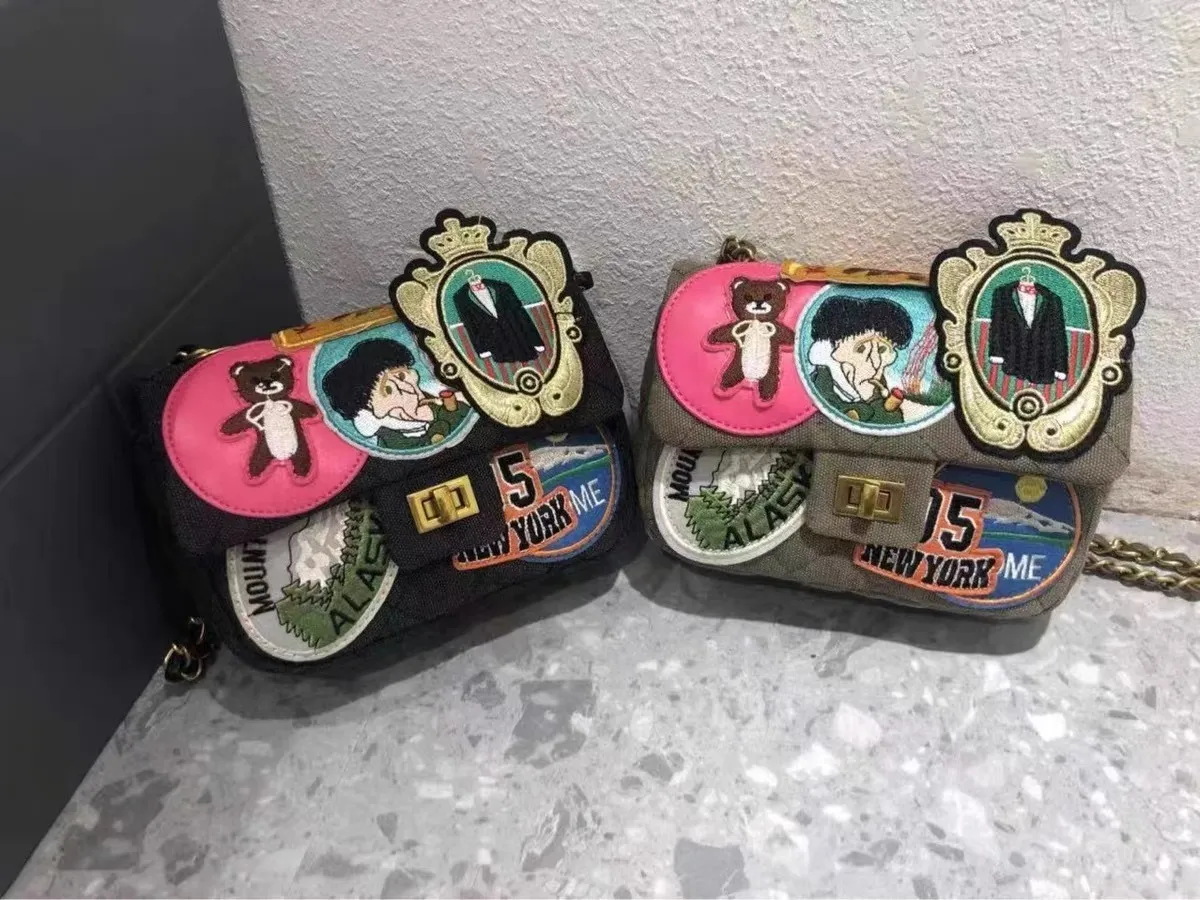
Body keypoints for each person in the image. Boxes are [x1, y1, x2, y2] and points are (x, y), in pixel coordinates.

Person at [807, 295, 938, 424]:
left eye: (882, 350)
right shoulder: (817, 387)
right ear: (829, 350)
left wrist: (873, 401)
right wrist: (864, 408)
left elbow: (892, 421)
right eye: (861, 349)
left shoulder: (880, 388)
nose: (875, 362)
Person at [321, 339, 469, 452]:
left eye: (402, 376)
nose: (409, 390)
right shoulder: (392, 441)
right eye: (388, 390)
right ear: (372, 409)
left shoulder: (439, 396)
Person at [986, 266, 1069, 384]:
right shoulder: (1002, 294)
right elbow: (996, 326)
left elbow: (1059, 335)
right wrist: (996, 353)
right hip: (1012, 359)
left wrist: (1060, 367)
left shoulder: (1052, 299)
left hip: (1041, 362)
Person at [451, 269, 545, 363]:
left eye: (480, 284)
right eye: (475, 286)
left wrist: (536, 342)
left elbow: (522, 316)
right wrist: (482, 349)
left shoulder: (502, 288)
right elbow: (470, 326)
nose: (478, 286)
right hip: (496, 344)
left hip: (517, 336)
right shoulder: (461, 298)